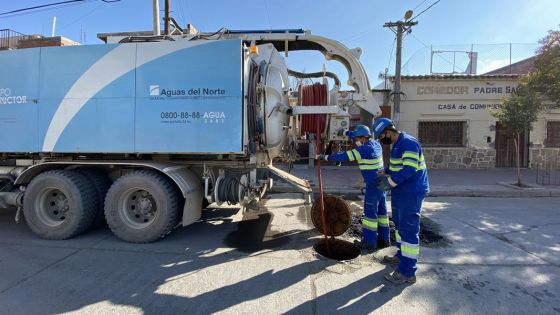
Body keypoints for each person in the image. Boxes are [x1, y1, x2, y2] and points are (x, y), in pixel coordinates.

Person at [372, 118, 429, 285]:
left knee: (408, 229)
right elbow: (398, 164)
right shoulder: (397, 143)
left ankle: (407, 272)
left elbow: (410, 169)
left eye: (382, 136)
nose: (382, 140)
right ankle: (401, 256)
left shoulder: (409, 143)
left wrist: (389, 182)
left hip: (411, 192)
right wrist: (386, 170)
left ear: (388, 132)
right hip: (401, 190)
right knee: (398, 223)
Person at [316, 125, 390, 251]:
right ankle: (384, 239)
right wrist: (344, 132)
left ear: (362, 138)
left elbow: (344, 156)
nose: (356, 141)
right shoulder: (375, 144)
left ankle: (369, 242)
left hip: (373, 186)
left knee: (370, 215)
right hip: (382, 184)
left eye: (357, 138)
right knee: (382, 213)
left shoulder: (363, 151)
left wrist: (326, 157)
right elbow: (357, 137)